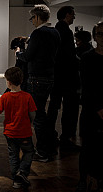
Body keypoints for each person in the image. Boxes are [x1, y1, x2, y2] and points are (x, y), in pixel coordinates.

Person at [0, 67, 36, 189]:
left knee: (13, 156)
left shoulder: (5, 97)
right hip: (25, 132)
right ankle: (22, 172)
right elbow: (32, 114)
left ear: (8, 82)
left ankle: (16, 180)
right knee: (29, 152)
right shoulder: (27, 97)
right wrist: (29, 124)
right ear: (21, 80)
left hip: (10, 133)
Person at [16, 4, 60, 162]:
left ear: (37, 17)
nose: (32, 21)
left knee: (38, 116)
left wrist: (19, 53)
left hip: (36, 78)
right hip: (50, 76)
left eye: (32, 18)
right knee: (45, 115)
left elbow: (28, 56)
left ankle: (42, 152)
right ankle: (51, 147)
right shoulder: (55, 32)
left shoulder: (38, 33)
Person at [47, 6, 80, 149]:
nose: (74, 17)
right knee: (68, 108)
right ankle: (65, 138)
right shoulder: (65, 31)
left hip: (56, 75)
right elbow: (69, 56)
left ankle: (50, 135)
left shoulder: (55, 30)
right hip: (65, 76)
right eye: (73, 14)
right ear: (67, 15)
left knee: (54, 107)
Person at [76, 21, 103, 192]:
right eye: (100, 33)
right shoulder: (87, 58)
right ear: (94, 36)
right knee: (88, 148)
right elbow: (87, 86)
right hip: (91, 110)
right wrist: (99, 108)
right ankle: (85, 180)